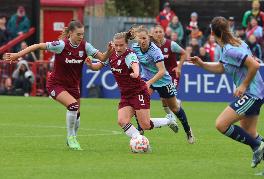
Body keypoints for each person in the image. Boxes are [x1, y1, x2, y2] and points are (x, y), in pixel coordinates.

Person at [189, 16, 264, 176]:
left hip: (252, 93)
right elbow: (222, 67)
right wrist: (203, 64)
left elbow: (255, 64)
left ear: (212, 32)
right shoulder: (234, 44)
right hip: (257, 93)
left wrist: (243, 85)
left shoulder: (231, 49)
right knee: (251, 133)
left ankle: (256, 147)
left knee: (221, 124)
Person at [3, 20, 113, 150]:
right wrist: (17, 55)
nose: (81, 37)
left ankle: (73, 138)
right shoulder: (61, 45)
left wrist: (109, 51)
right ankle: (71, 137)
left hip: (73, 86)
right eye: (78, 34)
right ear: (70, 33)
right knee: (73, 106)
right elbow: (38, 46)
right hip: (56, 84)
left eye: (82, 34)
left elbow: (102, 58)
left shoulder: (85, 46)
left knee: (77, 114)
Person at [85, 31, 178, 145]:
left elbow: (135, 65)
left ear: (126, 45)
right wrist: (90, 65)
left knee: (145, 125)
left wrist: (135, 73)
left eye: (121, 45)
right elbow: (97, 66)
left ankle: (169, 120)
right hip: (126, 95)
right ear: (113, 44)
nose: (118, 48)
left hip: (138, 92)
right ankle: (138, 140)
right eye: (116, 45)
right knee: (122, 121)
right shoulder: (111, 54)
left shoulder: (130, 55)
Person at [131, 26, 195, 144]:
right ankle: (140, 131)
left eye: (144, 38)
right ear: (137, 40)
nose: (142, 41)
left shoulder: (155, 51)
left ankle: (188, 130)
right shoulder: (134, 48)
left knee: (175, 108)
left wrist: (149, 82)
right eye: (140, 39)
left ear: (148, 38)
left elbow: (161, 71)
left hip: (163, 81)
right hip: (147, 79)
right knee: (138, 102)